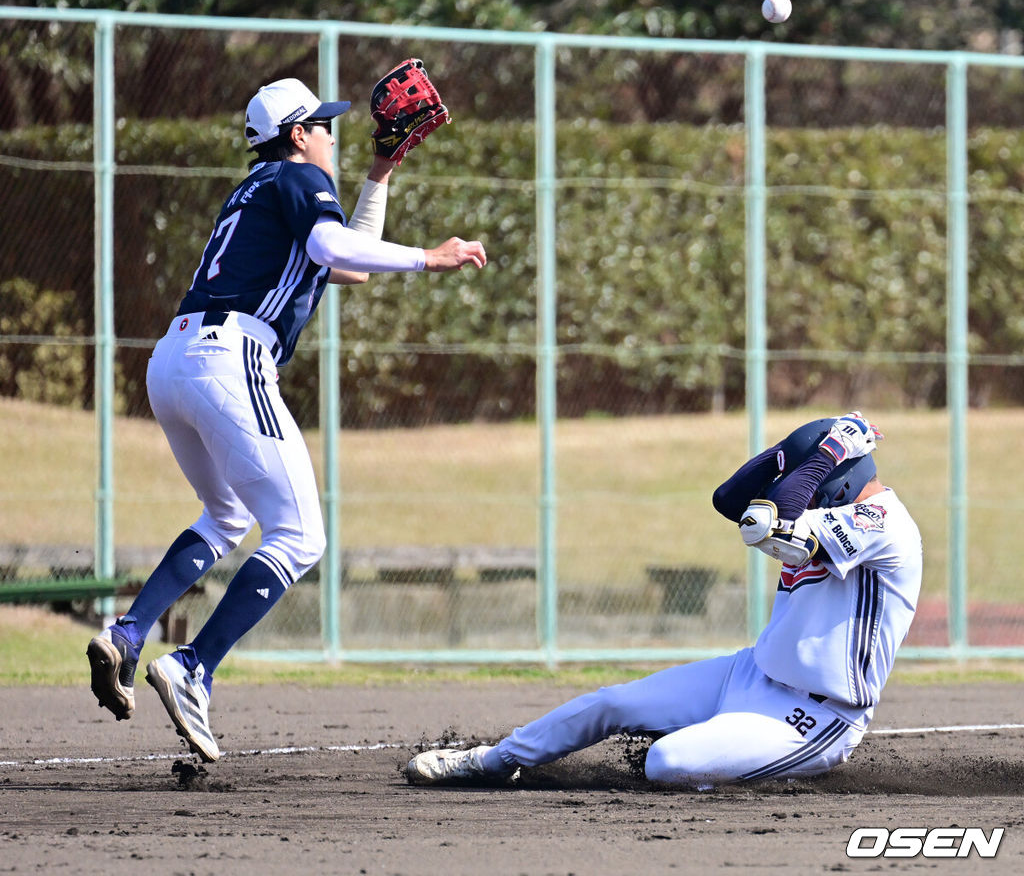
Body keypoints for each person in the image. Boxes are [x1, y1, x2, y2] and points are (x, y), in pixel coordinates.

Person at [87, 67, 486, 762]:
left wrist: (382, 171)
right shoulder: (300, 179)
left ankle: (127, 633)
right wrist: (430, 257)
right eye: (322, 125)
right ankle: (192, 666)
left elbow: (346, 265)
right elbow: (335, 249)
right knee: (300, 536)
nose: (331, 135)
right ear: (297, 135)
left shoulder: (257, 189)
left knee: (228, 517)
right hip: (229, 359)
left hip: (174, 361)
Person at [406, 412, 922, 788]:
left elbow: (781, 516)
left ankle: (736, 758)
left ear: (836, 486)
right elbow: (728, 500)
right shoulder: (830, 500)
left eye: (809, 482)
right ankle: (491, 761)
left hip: (815, 718)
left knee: (666, 764)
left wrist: (829, 452)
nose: (798, 490)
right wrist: (788, 453)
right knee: (610, 702)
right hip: (751, 673)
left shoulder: (886, 524)